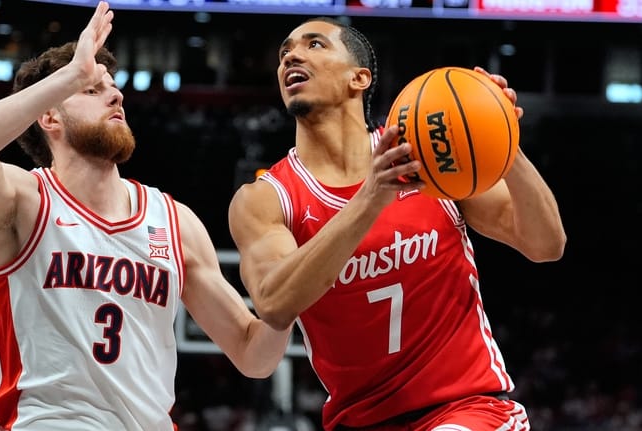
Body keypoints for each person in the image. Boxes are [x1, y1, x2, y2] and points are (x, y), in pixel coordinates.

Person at [0, 2, 292, 430]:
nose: (116, 94)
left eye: (111, 85)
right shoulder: (24, 200)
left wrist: (288, 296)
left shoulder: (174, 221)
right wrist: (70, 74)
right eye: (91, 89)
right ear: (48, 115)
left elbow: (254, 356)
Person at [227, 16, 566, 431]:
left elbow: (546, 244)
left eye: (314, 44)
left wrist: (501, 138)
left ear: (360, 78)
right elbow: (274, 303)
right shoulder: (265, 199)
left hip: (466, 409)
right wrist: (370, 199)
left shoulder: (428, 154)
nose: (291, 56)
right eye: (284, 53)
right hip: (361, 420)